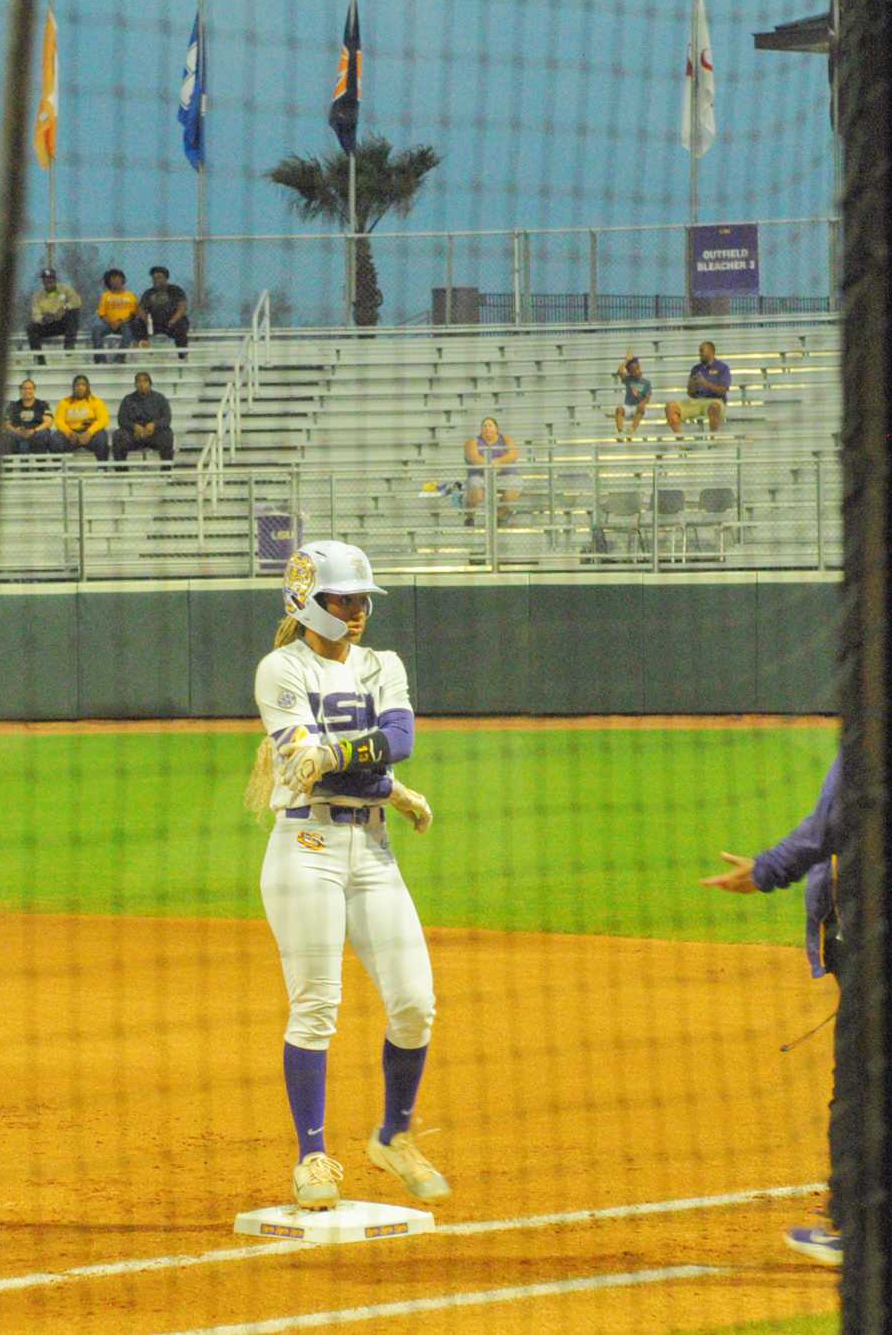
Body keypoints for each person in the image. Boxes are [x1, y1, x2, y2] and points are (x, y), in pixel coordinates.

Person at [700, 622, 892, 1294]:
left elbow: (828, 826)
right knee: (862, 1076)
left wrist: (766, 870)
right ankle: (851, 1221)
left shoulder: (882, 735)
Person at [246, 541, 443, 1212]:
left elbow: (400, 738)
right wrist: (368, 771)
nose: (357, 610)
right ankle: (312, 1157)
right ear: (307, 601)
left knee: (416, 1003)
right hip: (306, 847)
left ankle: (393, 1134)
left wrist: (370, 774)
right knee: (317, 1005)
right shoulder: (281, 669)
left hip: (373, 851)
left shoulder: (382, 663)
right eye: (342, 599)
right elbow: (316, 770)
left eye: (361, 598)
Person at [664, 340, 732, 434]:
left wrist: (706, 384)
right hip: (696, 401)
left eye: (702, 351)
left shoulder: (722, 368)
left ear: (711, 351)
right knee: (670, 407)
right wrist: (692, 386)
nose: (699, 354)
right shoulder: (696, 369)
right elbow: (690, 393)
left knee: (715, 407)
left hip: (715, 400)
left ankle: (713, 441)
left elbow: (723, 391)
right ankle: (680, 442)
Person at [463, 416, 521, 524]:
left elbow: (513, 455)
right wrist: (490, 466)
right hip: (480, 476)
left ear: (497, 429)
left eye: (490, 425)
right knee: (476, 492)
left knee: (513, 490)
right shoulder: (472, 442)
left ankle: (498, 516)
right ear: (481, 430)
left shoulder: (506, 439)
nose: (487, 428)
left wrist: (498, 462)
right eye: (484, 426)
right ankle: (469, 516)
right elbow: (473, 457)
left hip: (504, 475)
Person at [113, 371, 175, 464]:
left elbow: (167, 418)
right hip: (134, 435)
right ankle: (121, 472)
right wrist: (134, 427)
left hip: (154, 434)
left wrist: (154, 425)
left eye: (145, 381)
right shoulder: (128, 399)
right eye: (139, 382)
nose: (142, 384)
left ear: (150, 383)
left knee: (167, 435)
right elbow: (122, 419)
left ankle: (166, 471)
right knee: (118, 436)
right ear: (135, 384)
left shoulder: (160, 398)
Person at [52, 374, 112, 461]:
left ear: (88, 387)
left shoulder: (96, 401)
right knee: (55, 439)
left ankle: (102, 469)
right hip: (71, 434)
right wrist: (69, 433)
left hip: (89, 433)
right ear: (73, 387)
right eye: (77, 385)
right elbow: (58, 421)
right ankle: (57, 469)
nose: (80, 387)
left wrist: (89, 432)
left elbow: (103, 420)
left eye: (83, 385)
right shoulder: (64, 402)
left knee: (102, 436)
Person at [26, 267, 82, 358]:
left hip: (64, 323)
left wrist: (64, 308)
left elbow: (77, 301)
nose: (48, 281)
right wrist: (43, 319)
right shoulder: (37, 295)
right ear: (43, 281)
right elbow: (35, 313)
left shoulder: (65, 289)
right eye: (45, 279)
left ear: (55, 279)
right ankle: (39, 360)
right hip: (49, 325)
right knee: (30, 328)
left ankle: (69, 346)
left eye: (50, 278)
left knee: (74, 312)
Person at [136, 265, 190, 356]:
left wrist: (174, 319)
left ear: (166, 278)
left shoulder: (175, 290)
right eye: (154, 278)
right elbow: (141, 309)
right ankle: (146, 348)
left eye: (159, 277)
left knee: (181, 324)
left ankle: (182, 355)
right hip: (155, 324)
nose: (156, 279)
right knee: (137, 322)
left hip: (172, 323)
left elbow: (182, 307)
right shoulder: (148, 293)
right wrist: (146, 320)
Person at [91, 268, 143, 363]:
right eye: (112, 279)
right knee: (96, 330)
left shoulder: (130, 295)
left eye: (118, 278)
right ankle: (100, 358)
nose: (115, 281)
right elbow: (102, 314)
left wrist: (121, 322)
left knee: (129, 331)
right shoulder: (105, 296)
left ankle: (120, 357)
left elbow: (134, 314)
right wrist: (111, 322)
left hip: (125, 323)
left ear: (122, 280)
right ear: (109, 282)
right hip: (109, 324)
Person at [0, 378, 57, 456]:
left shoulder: (42, 405)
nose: (27, 391)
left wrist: (34, 431)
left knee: (43, 434)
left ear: (34, 390)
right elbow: (6, 423)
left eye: (30, 388)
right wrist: (16, 431)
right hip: (17, 434)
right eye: (24, 388)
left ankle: (40, 466)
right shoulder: (12, 405)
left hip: (36, 433)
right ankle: (12, 466)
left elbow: (48, 422)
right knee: (7, 435)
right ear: (20, 390)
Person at [612, 354, 652, 436]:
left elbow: (647, 398)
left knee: (641, 409)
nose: (636, 372)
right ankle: (620, 432)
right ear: (630, 373)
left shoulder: (646, 383)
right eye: (633, 371)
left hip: (638, 407)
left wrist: (643, 403)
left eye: (637, 369)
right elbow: (619, 372)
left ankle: (632, 429)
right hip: (628, 406)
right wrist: (626, 360)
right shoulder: (628, 379)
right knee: (619, 409)